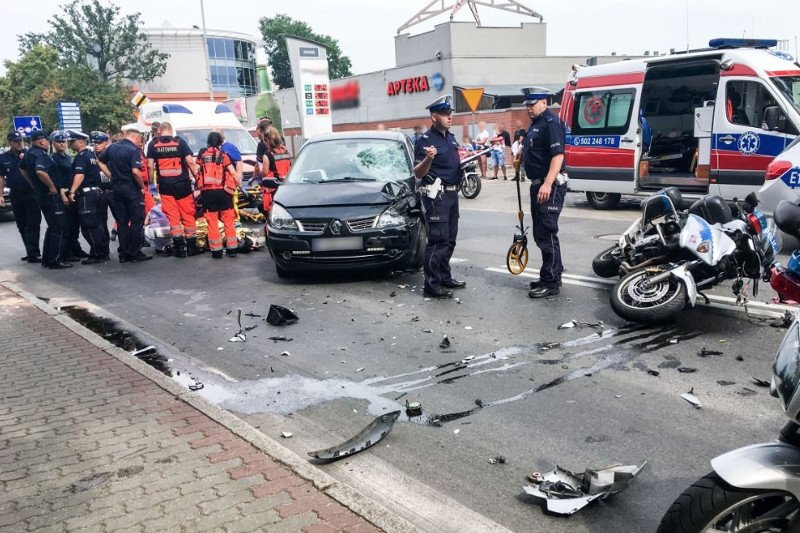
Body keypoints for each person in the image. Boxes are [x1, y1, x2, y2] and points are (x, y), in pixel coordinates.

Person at [413, 94, 466, 299]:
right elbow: (418, 172)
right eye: (444, 114)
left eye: (450, 113)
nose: (449, 117)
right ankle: (432, 285)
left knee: (450, 240)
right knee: (438, 240)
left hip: (452, 194)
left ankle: (444, 276)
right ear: (434, 117)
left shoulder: (450, 138)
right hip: (437, 196)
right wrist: (428, 158)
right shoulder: (426, 141)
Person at [521, 87, 568, 299]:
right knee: (541, 232)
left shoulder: (552, 123)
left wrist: (548, 183)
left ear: (544, 103)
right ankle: (552, 273)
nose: (528, 109)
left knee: (547, 231)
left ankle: (550, 282)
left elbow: (557, 156)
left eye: (532, 105)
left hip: (550, 185)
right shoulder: (537, 123)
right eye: (527, 105)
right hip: (537, 184)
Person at [146, 122, 202, 258]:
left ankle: (179, 250)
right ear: (170, 130)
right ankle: (191, 248)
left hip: (165, 186)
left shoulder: (153, 144)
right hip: (182, 185)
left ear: (160, 131)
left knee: (173, 217)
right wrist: (197, 178)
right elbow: (190, 162)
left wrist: (151, 184)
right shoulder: (179, 142)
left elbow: (149, 166)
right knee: (188, 215)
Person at [97, 128, 151, 263]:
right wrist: (142, 187)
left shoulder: (112, 147)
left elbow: (100, 161)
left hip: (117, 188)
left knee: (122, 221)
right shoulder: (133, 150)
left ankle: (124, 253)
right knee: (137, 221)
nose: (140, 143)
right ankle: (135, 252)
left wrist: (111, 175)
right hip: (131, 188)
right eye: (139, 139)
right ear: (136, 137)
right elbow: (135, 171)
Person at [22, 130, 71, 269]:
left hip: (41, 194)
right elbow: (40, 171)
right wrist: (51, 187)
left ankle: (47, 259)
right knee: (60, 227)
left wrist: (32, 183)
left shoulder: (29, 153)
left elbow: (22, 169)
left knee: (53, 227)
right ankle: (55, 260)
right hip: (50, 196)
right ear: (41, 141)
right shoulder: (40, 154)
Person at [67, 130, 109, 264]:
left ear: (80, 142)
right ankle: (102, 252)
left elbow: (80, 175)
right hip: (96, 193)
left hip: (86, 195)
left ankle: (98, 254)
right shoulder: (91, 155)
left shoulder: (81, 156)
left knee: (88, 226)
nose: (70, 143)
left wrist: (72, 191)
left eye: (72, 141)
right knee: (98, 225)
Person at [197, 131, 239, 258]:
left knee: (212, 222)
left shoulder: (202, 155)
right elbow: (232, 172)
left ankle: (217, 251)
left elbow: (196, 171)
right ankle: (232, 250)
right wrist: (239, 185)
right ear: (220, 142)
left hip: (208, 194)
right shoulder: (224, 156)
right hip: (223, 193)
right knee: (228, 220)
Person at [0, 132, 41, 262]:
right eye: (15, 141)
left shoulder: (29, 154)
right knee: (22, 224)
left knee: (33, 223)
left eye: (20, 140)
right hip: (15, 194)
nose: (18, 143)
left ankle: (33, 252)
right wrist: (0, 194)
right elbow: (1, 177)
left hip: (31, 193)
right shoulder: (3, 158)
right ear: (9, 143)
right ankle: (30, 251)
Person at [51, 130, 87, 261]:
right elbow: (56, 179)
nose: (62, 144)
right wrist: (62, 193)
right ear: (53, 143)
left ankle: (75, 248)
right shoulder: (53, 159)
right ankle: (67, 252)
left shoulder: (68, 157)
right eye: (59, 142)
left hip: (72, 192)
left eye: (64, 141)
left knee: (74, 223)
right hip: (63, 193)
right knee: (67, 225)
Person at [90, 131, 114, 257]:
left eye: (99, 143)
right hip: (99, 193)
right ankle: (104, 250)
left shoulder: (111, 155)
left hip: (112, 191)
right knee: (100, 222)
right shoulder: (91, 156)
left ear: (106, 143)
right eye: (94, 143)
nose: (96, 145)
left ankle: (127, 249)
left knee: (121, 220)